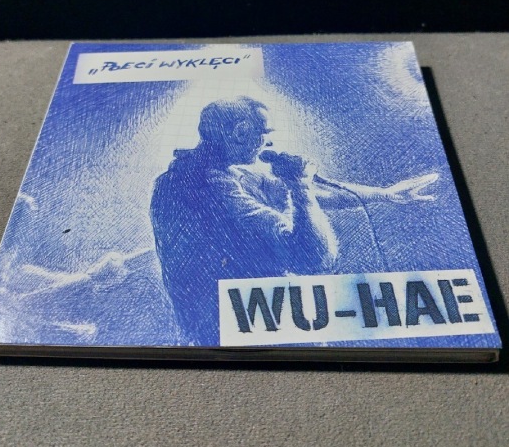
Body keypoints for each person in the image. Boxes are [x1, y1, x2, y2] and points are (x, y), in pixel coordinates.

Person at [150, 96, 437, 344]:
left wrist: (385, 194)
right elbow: (312, 257)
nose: (269, 142)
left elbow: (322, 194)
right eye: (264, 133)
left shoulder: (205, 173)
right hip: (245, 329)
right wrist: (299, 186)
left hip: (243, 320)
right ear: (240, 132)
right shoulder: (210, 186)